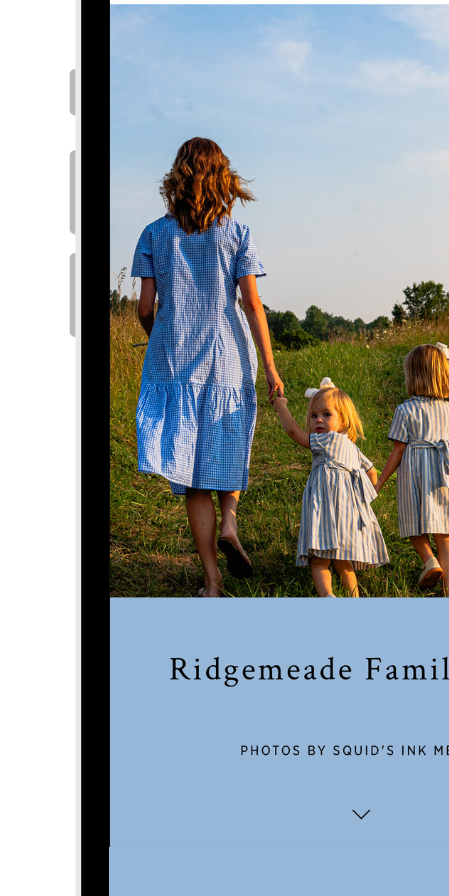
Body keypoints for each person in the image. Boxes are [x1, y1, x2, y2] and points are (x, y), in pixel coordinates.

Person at [132, 137, 284, 597]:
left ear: (176, 177)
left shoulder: (154, 234)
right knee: (229, 444)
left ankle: (213, 583)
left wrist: (157, 337)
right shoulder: (237, 234)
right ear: (223, 179)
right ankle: (231, 522)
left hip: (176, 358)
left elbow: (144, 308)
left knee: (193, 472)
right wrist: (272, 368)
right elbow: (253, 305)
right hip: (228, 357)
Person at [376, 344, 449, 598]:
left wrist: (379, 482)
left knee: (413, 528)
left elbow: (397, 451)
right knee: (445, 537)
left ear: (412, 376)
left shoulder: (404, 410)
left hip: (416, 475)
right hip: (445, 474)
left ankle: (429, 560)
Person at [269, 379, 388, 597]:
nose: (319, 420)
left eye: (326, 414)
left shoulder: (326, 440)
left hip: (326, 508)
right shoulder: (352, 447)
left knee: (319, 559)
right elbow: (372, 472)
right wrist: (365, 496)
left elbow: (294, 433)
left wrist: (281, 407)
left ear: (343, 421)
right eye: (314, 416)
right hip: (348, 512)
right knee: (344, 562)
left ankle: (327, 597)